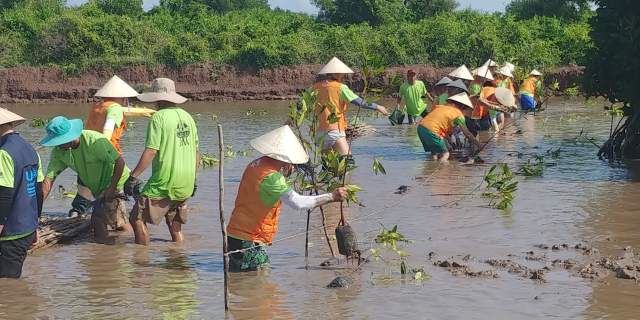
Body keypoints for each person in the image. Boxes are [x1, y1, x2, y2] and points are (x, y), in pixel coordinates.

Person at [226, 125, 347, 272]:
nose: (294, 168)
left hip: (236, 233)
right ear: (286, 160)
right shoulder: (272, 177)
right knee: (258, 281)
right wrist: (331, 196)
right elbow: (298, 203)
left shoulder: (256, 164)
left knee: (243, 281)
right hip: (248, 239)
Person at [127, 78, 198, 246]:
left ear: (157, 99)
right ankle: (179, 255)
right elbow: (196, 153)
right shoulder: (188, 117)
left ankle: (141, 262)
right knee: (175, 224)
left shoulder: (158, 118)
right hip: (186, 182)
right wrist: (193, 179)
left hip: (165, 182)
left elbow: (151, 151)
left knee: (136, 218)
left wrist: (133, 177)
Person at [41, 116, 130, 243]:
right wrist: (37, 208)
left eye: (60, 142)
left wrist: (111, 188)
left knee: (100, 220)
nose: (58, 145)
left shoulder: (94, 141)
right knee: (116, 223)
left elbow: (119, 162)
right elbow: (48, 180)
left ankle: (117, 252)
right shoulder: (59, 152)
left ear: (70, 137)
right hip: (97, 186)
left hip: (116, 181)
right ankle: (115, 249)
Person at [66, 75, 141, 220]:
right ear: (123, 96)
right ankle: (146, 208)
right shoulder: (115, 109)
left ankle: (75, 216)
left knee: (84, 188)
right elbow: (108, 127)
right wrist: (104, 147)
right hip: (105, 153)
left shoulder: (97, 106)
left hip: (85, 153)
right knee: (130, 183)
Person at [313, 57, 389, 155]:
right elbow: (359, 102)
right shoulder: (340, 87)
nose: (344, 75)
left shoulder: (315, 87)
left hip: (320, 132)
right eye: (342, 73)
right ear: (336, 73)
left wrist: (290, 120)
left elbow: (301, 105)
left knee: (327, 165)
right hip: (335, 130)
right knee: (347, 162)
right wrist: (378, 107)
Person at [0, 108, 43, 278]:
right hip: (26, 227)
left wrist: (0, 224)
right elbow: (38, 191)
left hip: (10, 231)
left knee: (6, 284)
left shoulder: (4, 153)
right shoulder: (30, 149)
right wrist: (35, 225)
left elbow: (4, 193)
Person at [417, 93, 480, 162]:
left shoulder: (441, 107)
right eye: (468, 110)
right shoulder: (459, 114)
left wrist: (450, 140)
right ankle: (442, 170)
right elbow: (467, 134)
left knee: (434, 153)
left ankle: (431, 168)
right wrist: (478, 144)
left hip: (421, 128)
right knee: (446, 154)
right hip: (432, 130)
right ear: (463, 107)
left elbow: (440, 126)